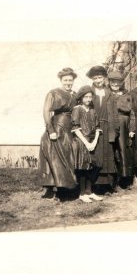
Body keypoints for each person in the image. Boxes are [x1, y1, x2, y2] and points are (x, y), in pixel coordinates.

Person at [39, 67, 78, 199]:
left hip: (69, 129)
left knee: (68, 158)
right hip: (57, 128)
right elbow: (46, 111)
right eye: (65, 80)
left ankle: (67, 188)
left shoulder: (75, 95)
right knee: (56, 159)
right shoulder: (53, 93)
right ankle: (56, 189)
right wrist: (51, 130)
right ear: (61, 80)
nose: (68, 82)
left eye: (70, 80)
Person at [86, 65, 119, 193]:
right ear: (92, 79)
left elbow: (114, 112)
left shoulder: (109, 92)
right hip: (93, 127)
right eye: (95, 78)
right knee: (96, 155)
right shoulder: (89, 91)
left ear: (104, 78)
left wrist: (115, 129)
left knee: (107, 154)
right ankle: (94, 186)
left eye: (100, 77)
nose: (98, 80)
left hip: (107, 127)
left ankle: (107, 186)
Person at [71, 85, 103, 203]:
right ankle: (82, 193)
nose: (88, 99)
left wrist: (94, 142)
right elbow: (76, 128)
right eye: (86, 97)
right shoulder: (77, 109)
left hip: (91, 142)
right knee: (83, 167)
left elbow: (98, 128)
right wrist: (86, 143)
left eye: (90, 97)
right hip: (81, 141)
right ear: (81, 98)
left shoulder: (93, 111)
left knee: (94, 166)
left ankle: (89, 191)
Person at [108, 71, 134, 189]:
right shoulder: (107, 95)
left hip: (124, 123)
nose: (115, 84)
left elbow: (131, 112)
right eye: (113, 82)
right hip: (111, 124)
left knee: (124, 150)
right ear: (109, 82)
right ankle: (112, 181)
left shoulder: (126, 95)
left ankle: (125, 180)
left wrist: (132, 129)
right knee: (112, 151)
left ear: (120, 83)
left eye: (117, 82)